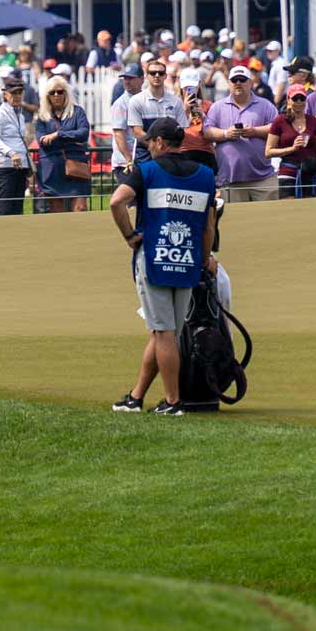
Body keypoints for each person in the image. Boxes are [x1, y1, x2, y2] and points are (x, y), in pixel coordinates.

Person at [108, 118, 218, 417]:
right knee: (163, 333)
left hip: (155, 260)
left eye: (150, 143)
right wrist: (203, 258)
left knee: (163, 332)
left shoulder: (147, 171)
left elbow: (116, 202)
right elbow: (209, 226)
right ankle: (136, 396)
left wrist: (130, 236)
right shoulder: (206, 175)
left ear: (159, 142)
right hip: (187, 261)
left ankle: (173, 401)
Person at [200, 65, 278, 202]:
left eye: (242, 79)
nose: (238, 83)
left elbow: (277, 129)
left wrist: (255, 131)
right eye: (234, 80)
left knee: (268, 221)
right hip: (231, 179)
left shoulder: (265, 105)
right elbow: (207, 131)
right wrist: (226, 133)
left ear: (251, 83)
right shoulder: (217, 106)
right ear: (229, 83)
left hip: (263, 178)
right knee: (235, 222)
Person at [32, 76, 92, 213]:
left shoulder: (78, 112)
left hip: (76, 168)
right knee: (57, 213)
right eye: (52, 92)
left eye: (60, 92)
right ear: (47, 96)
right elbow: (42, 140)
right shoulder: (42, 117)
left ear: (66, 93)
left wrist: (58, 135)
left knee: (80, 209)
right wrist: (71, 136)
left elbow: (83, 133)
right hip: (52, 170)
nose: (56, 95)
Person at [263, 86, 316, 198]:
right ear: (288, 99)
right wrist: (291, 149)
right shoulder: (280, 121)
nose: (299, 102)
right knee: (288, 208)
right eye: (295, 98)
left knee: (311, 209)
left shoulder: (314, 122)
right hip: (287, 170)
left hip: (310, 170)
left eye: (302, 98)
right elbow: (268, 152)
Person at [0, 73, 30, 216]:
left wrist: (26, 167)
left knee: (17, 211)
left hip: (19, 168)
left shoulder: (21, 116)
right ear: (5, 95)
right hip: (3, 167)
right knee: (4, 211)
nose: (17, 96)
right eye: (13, 93)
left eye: (19, 92)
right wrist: (11, 152)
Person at [127, 58, 187, 137]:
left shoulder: (176, 101)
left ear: (165, 76)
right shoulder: (136, 100)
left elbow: (182, 129)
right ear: (147, 76)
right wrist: (157, 146)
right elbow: (137, 132)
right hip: (144, 148)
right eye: (153, 73)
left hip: (169, 148)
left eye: (161, 73)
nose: (157, 75)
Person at [108, 64, 144, 173]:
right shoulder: (121, 104)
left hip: (141, 161)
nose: (127, 81)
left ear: (141, 79)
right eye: (125, 78)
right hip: (125, 164)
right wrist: (129, 161)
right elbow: (119, 134)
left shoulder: (145, 99)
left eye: (131, 78)